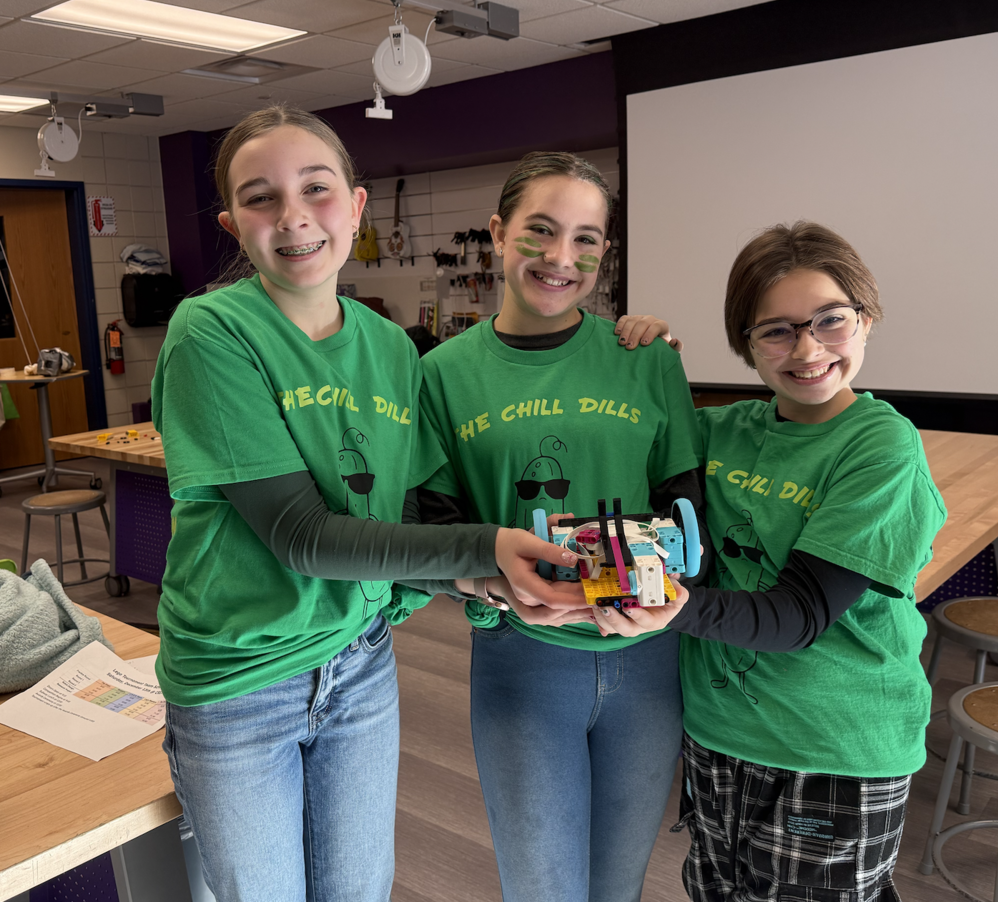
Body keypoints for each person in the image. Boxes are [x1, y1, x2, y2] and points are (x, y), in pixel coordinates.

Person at [151, 107, 584, 902]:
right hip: (242, 678)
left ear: (355, 208)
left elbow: (404, 519)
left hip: (359, 661)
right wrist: (485, 549)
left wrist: (484, 579)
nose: (293, 216)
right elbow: (302, 536)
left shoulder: (389, 346)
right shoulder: (209, 331)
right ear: (233, 226)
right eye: (260, 197)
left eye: (316, 189)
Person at [597, 222, 946, 902]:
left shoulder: (881, 446)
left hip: (833, 750)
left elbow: (800, 614)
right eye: (777, 331)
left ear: (866, 319)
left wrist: (672, 609)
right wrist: (648, 364)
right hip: (719, 735)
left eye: (830, 320)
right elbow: (628, 434)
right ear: (747, 343)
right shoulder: (720, 430)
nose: (808, 349)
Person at [395, 152, 707, 902]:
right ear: (499, 233)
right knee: (542, 889)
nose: (561, 257)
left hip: (647, 660)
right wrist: (497, 585)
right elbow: (435, 528)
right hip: (522, 660)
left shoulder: (646, 359)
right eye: (540, 230)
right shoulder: (441, 374)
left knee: (617, 886)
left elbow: (684, 507)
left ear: (604, 252)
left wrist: (665, 587)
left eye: (586, 239)